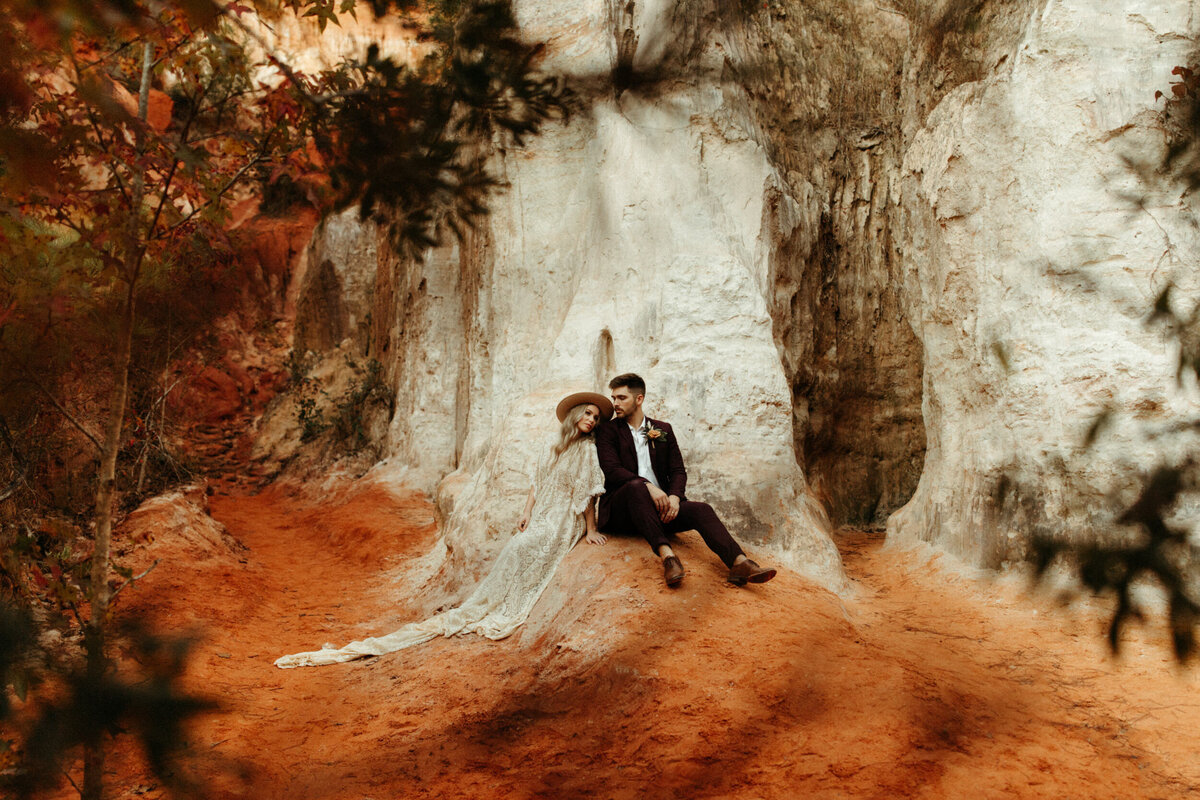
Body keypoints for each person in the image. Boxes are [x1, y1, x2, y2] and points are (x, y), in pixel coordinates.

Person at [275, 391, 613, 668]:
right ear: (574, 416)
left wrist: (590, 529)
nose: (591, 420)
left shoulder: (587, 451)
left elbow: (586, 495)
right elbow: (536, 486)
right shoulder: (551, 446)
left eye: (596, 418)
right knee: (516, 545)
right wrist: (526, 514)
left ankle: (507, 605)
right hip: (541, 512)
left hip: (561, 519)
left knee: (528, 548)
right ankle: (491, 601)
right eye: (587, 413)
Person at [594, 373, 776, 588]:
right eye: (613, 398)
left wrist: (674, 497)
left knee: (702, 509)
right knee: (636, 487)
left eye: (621, 398)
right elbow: (613, 470)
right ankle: (669, 558)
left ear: (639, 399)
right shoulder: (607, 431)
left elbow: (678, 470)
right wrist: (649, 486)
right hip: (623, 512)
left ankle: (740, 563)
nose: (615, 403)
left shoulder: (663, 429)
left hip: (658, 510)